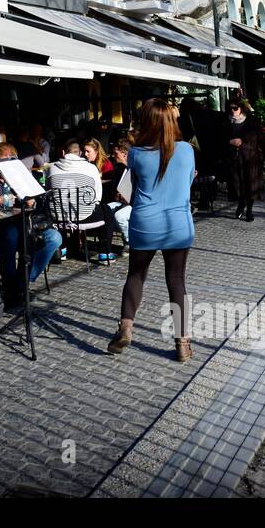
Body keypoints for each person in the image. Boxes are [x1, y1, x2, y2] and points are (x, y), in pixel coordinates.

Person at [108, 99, 196, 362]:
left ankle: (125, 328)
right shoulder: (187, 150)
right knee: (176, 281)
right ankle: (182, 344)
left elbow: (132, 190)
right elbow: (188, 181)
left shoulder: (136, 153)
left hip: (145, 223)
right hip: (178, 224)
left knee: (136, 276)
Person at [0, 142, 62, 304]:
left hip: (28, 224)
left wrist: (33, 201)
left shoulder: (21, 175)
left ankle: (21, 281)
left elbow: (39, 199)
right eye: (4, 161)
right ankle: (12, 286)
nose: (8, 165)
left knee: (54, 238)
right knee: (10, 235)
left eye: (12, 160)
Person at [49, 141, 120, 264]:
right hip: (85, 216)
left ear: (63, 152)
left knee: (60, 206)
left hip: (59, 217)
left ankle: (62, 249)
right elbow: (98, 197)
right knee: (107, 211)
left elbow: (49, 191)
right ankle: (105, 253)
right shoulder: (91, 168)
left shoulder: (52, 169)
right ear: (80, 153)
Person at [225, 99, 265, 220]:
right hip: (234, 158)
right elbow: (219, 138)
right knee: (236, 184)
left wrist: (244, 143)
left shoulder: (252, 120)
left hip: (250, 158)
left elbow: (259, 138)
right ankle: (241, 203)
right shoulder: (225, 121)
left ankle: (249, 210)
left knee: (250, 184)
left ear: (241, 108)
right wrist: (230, 141)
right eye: (230, 108)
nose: (232, 111)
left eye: (235, 108)